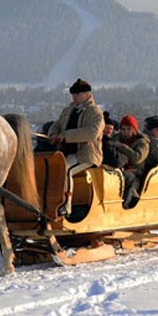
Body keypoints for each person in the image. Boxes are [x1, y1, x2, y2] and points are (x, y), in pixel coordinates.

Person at [48, 78, 104, 216]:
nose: (74, 97)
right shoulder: (69, 110)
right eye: (73, 95)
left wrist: (66, 135)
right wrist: (53, 134)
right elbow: (58, 123)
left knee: (66, 170)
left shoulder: (95, 112)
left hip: (86, 155)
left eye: (78, 94)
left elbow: (92, 132)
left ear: (87, 94)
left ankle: (66, 205)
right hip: (67, 152)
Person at [117, 114, 150, 208]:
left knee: (128, 179)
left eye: (129, 129)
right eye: (123, 129)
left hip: (136, 174)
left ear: (134, 129)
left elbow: (137, 159)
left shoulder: (142, 142)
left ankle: (128, 205)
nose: (126, 132)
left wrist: (122, 147)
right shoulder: (117, 139)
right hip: (119, 170)